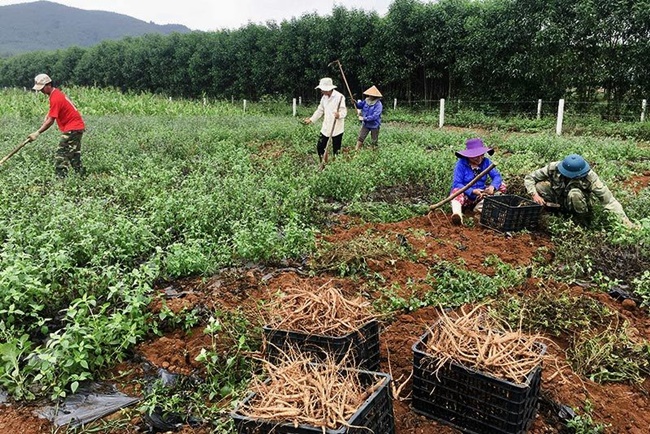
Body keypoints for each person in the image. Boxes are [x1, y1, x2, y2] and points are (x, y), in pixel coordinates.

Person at [524, 154, 635, 228]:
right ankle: (555, 212)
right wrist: (534, 195)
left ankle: (581, 224)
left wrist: (626, 223)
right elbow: (530, 178)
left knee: (574, 194)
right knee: (539, 187)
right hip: (560, 199)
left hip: (580, 204)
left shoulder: (590, 177)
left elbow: (609, 201)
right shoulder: (553, 168)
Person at [27, 73, 85, 178]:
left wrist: (37, 132)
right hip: (76, 127)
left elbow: (51, 121)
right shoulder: (56, 94)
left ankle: (60, 181)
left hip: (72, 128)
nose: (41, 91)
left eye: (42, 88)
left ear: (48, 85)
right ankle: (81, 177)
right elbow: (55, 111)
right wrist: (48, 114)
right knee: (73, 155)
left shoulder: (55, 97)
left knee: (61, 154)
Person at [449, 138, 506, 225]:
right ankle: (457, 215)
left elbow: (497, 176)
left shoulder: (486, 162)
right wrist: (472, 191)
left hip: (481, 195)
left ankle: (478, 210)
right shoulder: (461, 164)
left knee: (502, 186)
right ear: (468, 155)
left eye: (481, 155)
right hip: (466, 196)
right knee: (456, 191)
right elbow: (457, 183)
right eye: (475, 156)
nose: (479, 158)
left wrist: (492, 187)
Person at [304, 77, 347, 167]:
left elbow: (344, 112)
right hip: (326, 127)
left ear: (328, 89)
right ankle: (323, 163)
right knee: (320, 147)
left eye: (322, 89)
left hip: (337, 128)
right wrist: (311, 120)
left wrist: (339, 115)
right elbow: (320, 110)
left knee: (336, 150)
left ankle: (336, 166)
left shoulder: (339, 97)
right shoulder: (324, 98)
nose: (321, 91)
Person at [354, 85, 383, 150]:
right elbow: (359, 105)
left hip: (375, 125)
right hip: (366, 124)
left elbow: (375, 116)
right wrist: (355, 103)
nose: (370, 96)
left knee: (374, 140)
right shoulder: (366, 100)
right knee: (360, 138)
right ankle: (356, 150)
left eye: (371, 95)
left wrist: (364, 118)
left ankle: (373, 153)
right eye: (369, 95)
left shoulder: (378, 104)